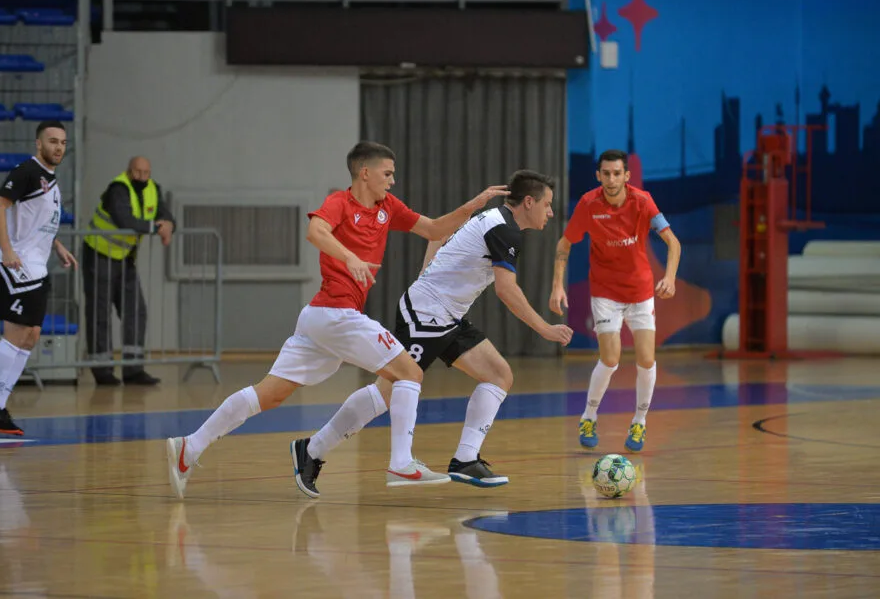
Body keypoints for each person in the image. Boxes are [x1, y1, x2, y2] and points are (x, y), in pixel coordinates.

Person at [166, 141, 509, 499]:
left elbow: (435, 230)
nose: (392, 181)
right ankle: (401, 463)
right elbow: (315, 232)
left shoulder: (388, 207)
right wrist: (351, 259)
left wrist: (473, 205)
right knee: (409, 372)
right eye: (387, 174)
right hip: (334, 314)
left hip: (319, 320)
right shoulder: (339, 203)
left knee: (270, 394)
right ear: (365, 172)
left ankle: (189, 447)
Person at [289, 170, 573, 498]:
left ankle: (465, 460)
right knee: (387, 392)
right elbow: (506, 291)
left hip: (448, 315)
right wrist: (545, 329)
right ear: (528, 202)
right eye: (547, 205)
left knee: (499, 375)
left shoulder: (493, 218)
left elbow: (438, 236)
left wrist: (428, 271)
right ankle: (312, 450)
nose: (551, 213)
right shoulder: (505, 230)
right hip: (425, 314)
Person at [549, 149, 681, 453]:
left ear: (626, 176)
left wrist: (670, 278)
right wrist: (557, 285)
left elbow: (673, 243)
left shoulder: (643, 201)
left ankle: (639, 422)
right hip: (606, 292)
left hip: (640, 291)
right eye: (605, 173)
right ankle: (589, 416)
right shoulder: (588, 204)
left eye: (616, 173)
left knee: (646, 359)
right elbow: (564, 243)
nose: (611, 179)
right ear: (599, 176)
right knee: (610, 358)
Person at [0, 121, 77, 436]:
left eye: (62, 142)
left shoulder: (50, 180)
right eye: (52, 141)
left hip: (36, 265)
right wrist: (7, 251)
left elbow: (35, 220)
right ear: (38, 143)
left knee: (31, 335)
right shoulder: (26, 172)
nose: (58, 147)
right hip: (18, 266)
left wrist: (55, 245)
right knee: (18, 335)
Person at [82, 156, 175, 386]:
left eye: (146, 173)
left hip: (125, 259)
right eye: (137, 172)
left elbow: (164, 213)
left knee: (136, 311)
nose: (142, 177)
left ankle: (133, 370)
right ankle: (102, 372)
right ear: (129, 171)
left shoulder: (154, 189)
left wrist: (169, 224)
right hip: (98, 255)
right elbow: (125, 219)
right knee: (99, 314)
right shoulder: (118, 189)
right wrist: (156, 227)